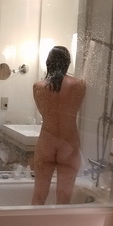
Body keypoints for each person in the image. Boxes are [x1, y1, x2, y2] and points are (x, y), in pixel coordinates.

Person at [31, 46, 86, 205]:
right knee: (64, 199)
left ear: (48, 63)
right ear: (67, 63)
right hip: (68, 143)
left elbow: (43, 112)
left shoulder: (38, 86)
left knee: (39, 196)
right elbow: (76, 107)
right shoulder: (80, 85)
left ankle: (34, 222)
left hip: (47, 141)